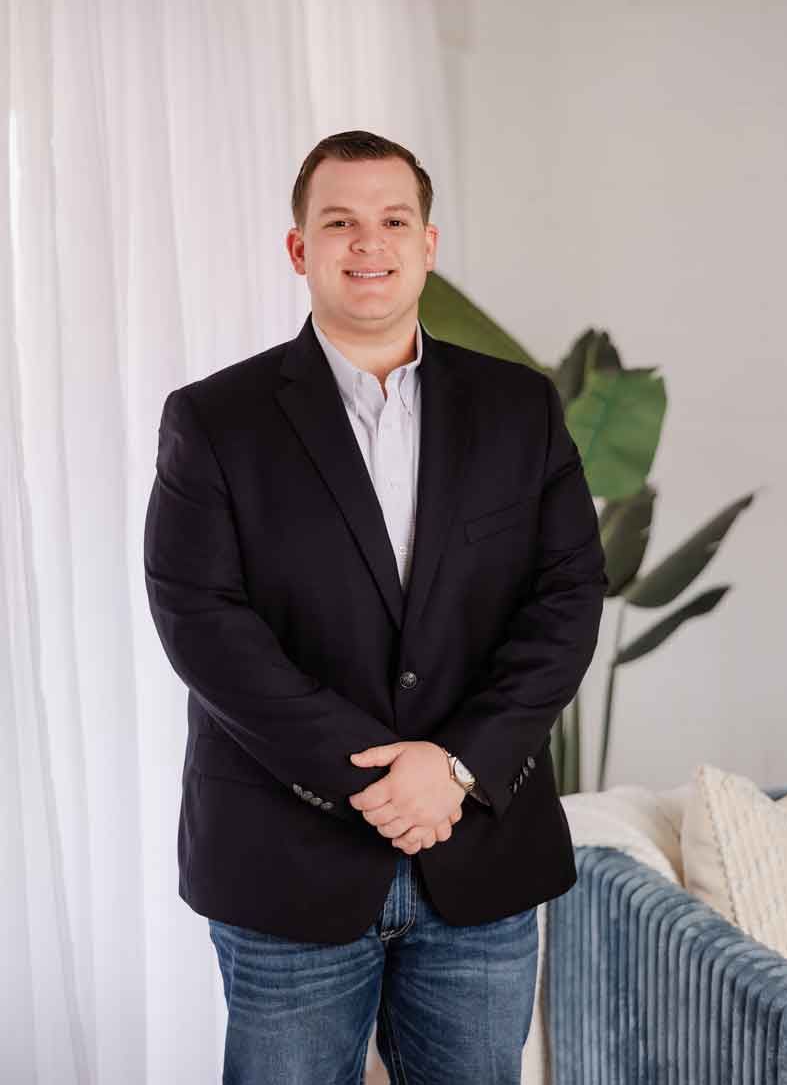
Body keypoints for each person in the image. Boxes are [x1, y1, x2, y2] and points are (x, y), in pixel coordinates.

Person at [143, 129, 607, 1084]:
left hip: (479, 853)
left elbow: (565, 598)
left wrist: (458, 765)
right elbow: (202, 620)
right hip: (284, 860)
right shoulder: (214, 419)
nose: (369, 242)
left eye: (393, 220)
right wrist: (373, 779)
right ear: (299, 247)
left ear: (427, 244)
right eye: (339, 222)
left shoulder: (521, 409)